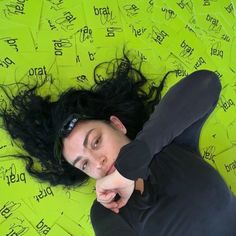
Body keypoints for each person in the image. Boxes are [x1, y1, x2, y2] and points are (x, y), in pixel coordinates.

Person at [0, 56, 235, 235]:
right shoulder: (107, 212)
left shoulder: (171, 144)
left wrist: (130, 164)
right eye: (84, 164)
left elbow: (207, 83)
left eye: (96, 141)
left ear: (117, 125)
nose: (98, 161)